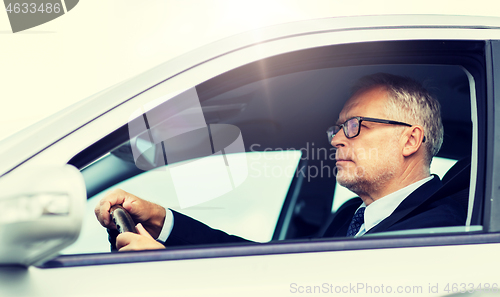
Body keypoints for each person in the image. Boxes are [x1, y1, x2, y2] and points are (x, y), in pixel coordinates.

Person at [95, 73, 466, 251]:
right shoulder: (351, 216)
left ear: (411, 139)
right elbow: (266, 263)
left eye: (354, 126)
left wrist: (172, 275)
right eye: (337, 128)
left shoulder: (439, 230)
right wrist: (164, 221)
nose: (337, 139)